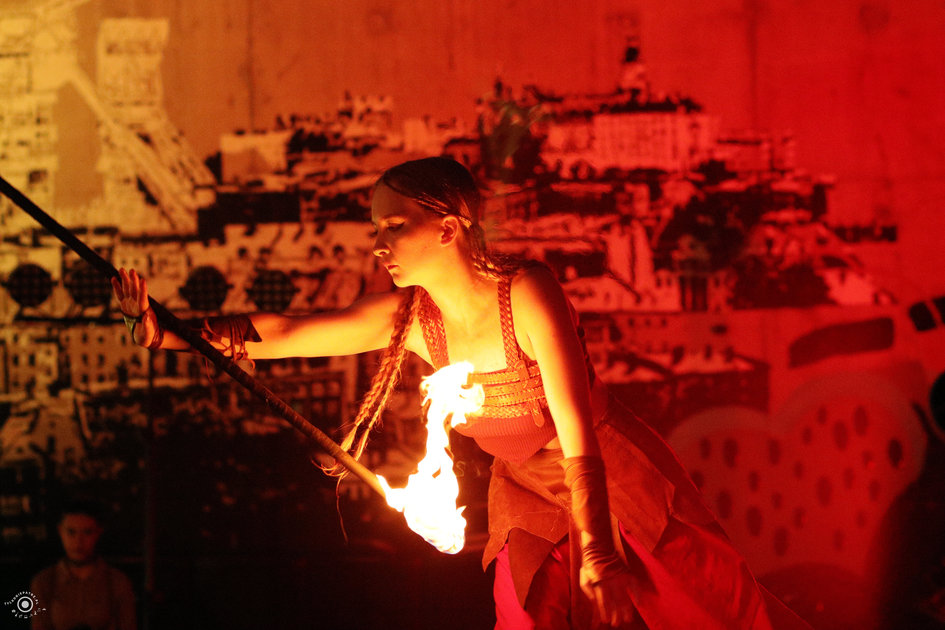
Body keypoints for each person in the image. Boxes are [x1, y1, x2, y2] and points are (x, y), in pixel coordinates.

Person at [111, 157, 810, 629]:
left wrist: (599, 547)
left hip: (609, 476)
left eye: (394, 226)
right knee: (526, 614)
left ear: (447, 227)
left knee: (707, 610)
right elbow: (290, 330)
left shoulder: (526, 292)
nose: (378, 242)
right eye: (375, 228)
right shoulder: (412, 319)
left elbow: (576, 429)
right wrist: (169, 333)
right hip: (523, 490)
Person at [30, 500, 137, 630]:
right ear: (60, 531)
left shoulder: (117, 582)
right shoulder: (44, 582)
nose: (78, 541)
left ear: (98, 533)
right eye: (71, 532)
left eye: (87, 532)